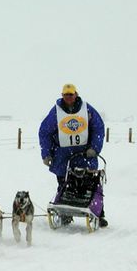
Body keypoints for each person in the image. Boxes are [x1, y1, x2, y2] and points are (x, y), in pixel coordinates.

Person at [39, 83, 108, 227]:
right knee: (64, 185)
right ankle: (65, 214)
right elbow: (45, 132)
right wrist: (46, 154)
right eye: (66, 95)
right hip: (63, 156)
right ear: (62, 96)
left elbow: (98, 128)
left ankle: (98, 214)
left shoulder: (87, 109)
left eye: (71, 95)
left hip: (85, 154)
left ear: (76, 94)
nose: (68, 97)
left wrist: (95, 148)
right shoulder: (56, 112)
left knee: (90, 185)